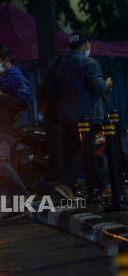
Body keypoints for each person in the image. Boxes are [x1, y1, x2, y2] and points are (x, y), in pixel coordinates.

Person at [40, 31, 113, 202]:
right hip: (88, 116)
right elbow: (98, 87)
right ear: (86, 44)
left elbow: (46, 87)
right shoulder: (89, 63)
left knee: (82, 152)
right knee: (84, 151)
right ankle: (65, 183)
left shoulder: (57, 63)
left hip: (65, 116)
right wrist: (107, 83)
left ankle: (99, 187)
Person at [0, 45, 32, 218]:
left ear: (6, 61)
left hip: (11, 127)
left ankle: (23, 196)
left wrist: (0, 96)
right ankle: (10, 204)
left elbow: (25, 102)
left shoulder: (16, 77)